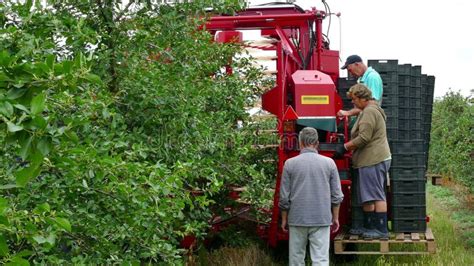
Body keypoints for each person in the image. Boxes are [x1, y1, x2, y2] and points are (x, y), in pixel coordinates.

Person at [279, 127, 344, 266]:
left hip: (297, 218)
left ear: (300, 143)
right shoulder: (329, 163)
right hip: (321, 218)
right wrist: (335, 217)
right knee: (320, 260)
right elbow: (337, 195)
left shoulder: (289, 164)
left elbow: (284, 197)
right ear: (317, 143)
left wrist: (284, 219)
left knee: (296, 259)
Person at [334, 84, 391, 239]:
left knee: (376, 195)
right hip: (371, 159)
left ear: (361, 98)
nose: (353, 103)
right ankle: (370, 227)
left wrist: (344, 147)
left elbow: (364, 137)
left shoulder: (369, 112)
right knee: (370, 194)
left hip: (373, 159)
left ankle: (380, 230)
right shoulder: (370, 110)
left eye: (354, 100)